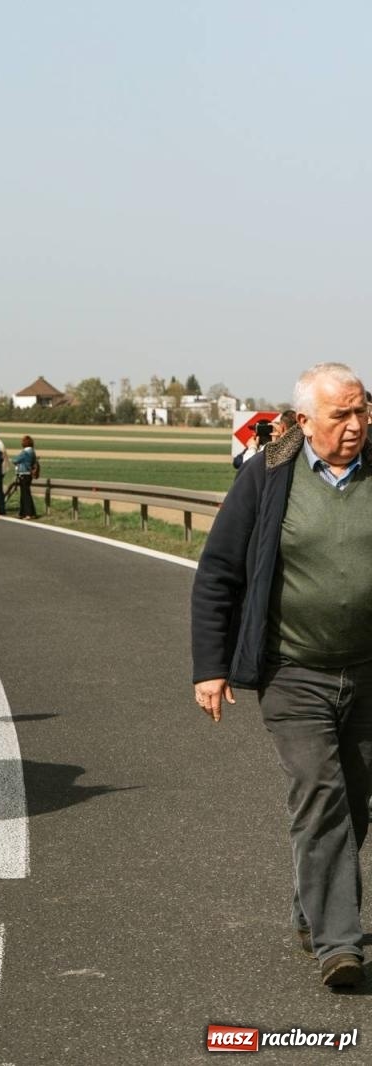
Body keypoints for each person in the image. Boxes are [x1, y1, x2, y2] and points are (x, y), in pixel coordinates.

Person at [191, 363, 372, 990]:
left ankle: (313, 905)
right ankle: (339, 945)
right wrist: (212, 667)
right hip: (293, 671)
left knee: (355, 798)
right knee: (321, 795)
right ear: (303, 421)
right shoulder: (268, 476)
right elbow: (218, 572)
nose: (355, 426)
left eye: (362, 411)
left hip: (368, 672)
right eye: (340, 416)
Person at [11, 434, 40, 519]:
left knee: (25, 495)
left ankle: (28, 513)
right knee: (26, 494)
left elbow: (15, 460)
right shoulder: (32, 451)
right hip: (29, 474)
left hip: (23, 474)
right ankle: (26, 513)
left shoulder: (25, 452)